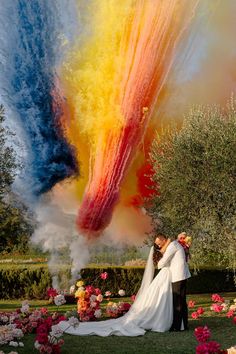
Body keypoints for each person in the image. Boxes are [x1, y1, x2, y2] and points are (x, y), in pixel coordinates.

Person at [58, 239, 174, 336]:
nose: (160, 245)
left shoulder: (167, 248)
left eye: (160, 243)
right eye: (158, 243)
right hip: (164, 275)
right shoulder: (164, 249)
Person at [155, 233, 191, 331]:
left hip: (178, 276)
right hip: (181, 275)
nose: (159, 246)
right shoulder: (174, 244)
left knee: (178, 301)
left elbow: (163, 261)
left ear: (164, 240)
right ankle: (184, 325)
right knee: (181, 301)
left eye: (159, 244)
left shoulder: (172, 246)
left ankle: (177, 326)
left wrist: (157, 263)